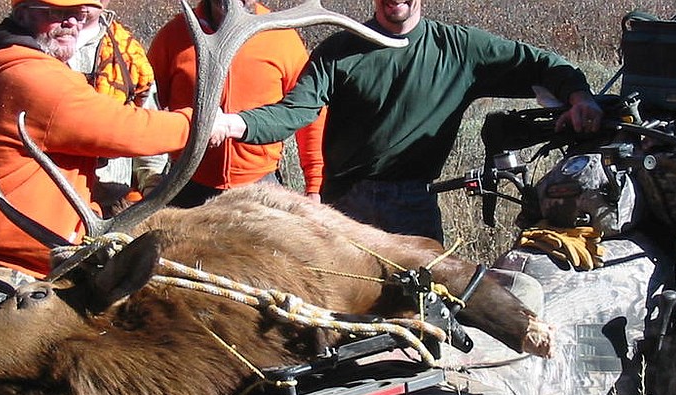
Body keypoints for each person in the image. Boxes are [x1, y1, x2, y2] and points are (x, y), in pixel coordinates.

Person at [0, 0, 211, 395]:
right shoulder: (30, 75)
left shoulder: (38, 61)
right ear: (24, 13)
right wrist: (202, 121)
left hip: (32, 259)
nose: (69, 22)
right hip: (5, 268)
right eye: (53, 11)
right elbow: (127, 129)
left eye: (82, 13)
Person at [219, 0, 603, 242]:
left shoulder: (458, 49)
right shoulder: (339, 51)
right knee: (341, 321)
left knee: (424, 311)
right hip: (344, 205)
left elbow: (542, 64)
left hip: (413, 202)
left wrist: (578, 96)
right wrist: (233, 125)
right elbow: (293, 113)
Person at [0, 0, 167, 215]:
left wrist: (149, 190)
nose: (72, 21)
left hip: (111, 213)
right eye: (61, 12)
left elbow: (148, 137)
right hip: (25, 215)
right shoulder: (3, 52)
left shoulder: (129, 57)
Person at [147, 0, 327, 207]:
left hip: (260, 187)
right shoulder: (174, 35)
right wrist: (146, 178)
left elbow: (310, 113)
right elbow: (147, 111)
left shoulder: (282, 37)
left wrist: (314, 185)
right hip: (186, 185)